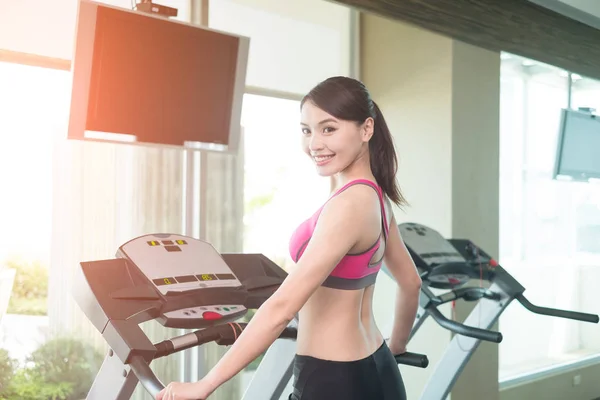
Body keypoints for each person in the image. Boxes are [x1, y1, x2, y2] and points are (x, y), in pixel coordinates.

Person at [156, 76, 422, 400]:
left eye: (329, 128)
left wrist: (204, 385)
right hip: (378, 367)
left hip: (333, 380)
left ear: (366, 129)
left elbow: (282, 308)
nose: (314, 144)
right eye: (306, 130)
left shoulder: (349, 206)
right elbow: (411, 283)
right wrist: (397, 346)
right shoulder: (376, 199)